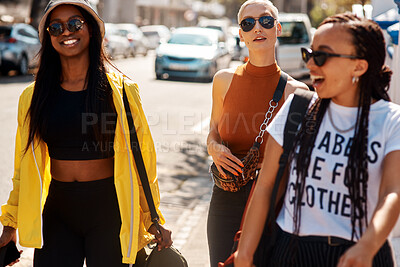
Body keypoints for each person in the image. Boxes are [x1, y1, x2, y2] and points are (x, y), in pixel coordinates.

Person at [0, 0, 172, 266]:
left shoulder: (122, 92)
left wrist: (152, 218)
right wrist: (10, 225)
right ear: (48, 37)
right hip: (57, 211)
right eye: (55, 27)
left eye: (74, 24)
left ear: (91, 29)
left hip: (109, 211)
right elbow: (23, 169)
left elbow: (143, 161)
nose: (66, 32)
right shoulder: (33, 97)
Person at [235, 13, 400, 267]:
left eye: (321, 56)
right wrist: (245, 254)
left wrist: (368, 245)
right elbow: (266, 185)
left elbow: (392, 192)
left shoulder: (391, 120)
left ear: (359, 66)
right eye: (308, 54)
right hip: (290, 250)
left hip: (362, 254)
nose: (311, 64)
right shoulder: (297, 107)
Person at [206, 0, 309, 265]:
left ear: (278, 28)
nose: (257, 28)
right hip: (225, 197)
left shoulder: (298, 93)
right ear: (240, 33)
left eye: (265, 20)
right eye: (248, 23)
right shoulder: (223, 81)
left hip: (273, 200)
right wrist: (215, 149)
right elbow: (213, 133)